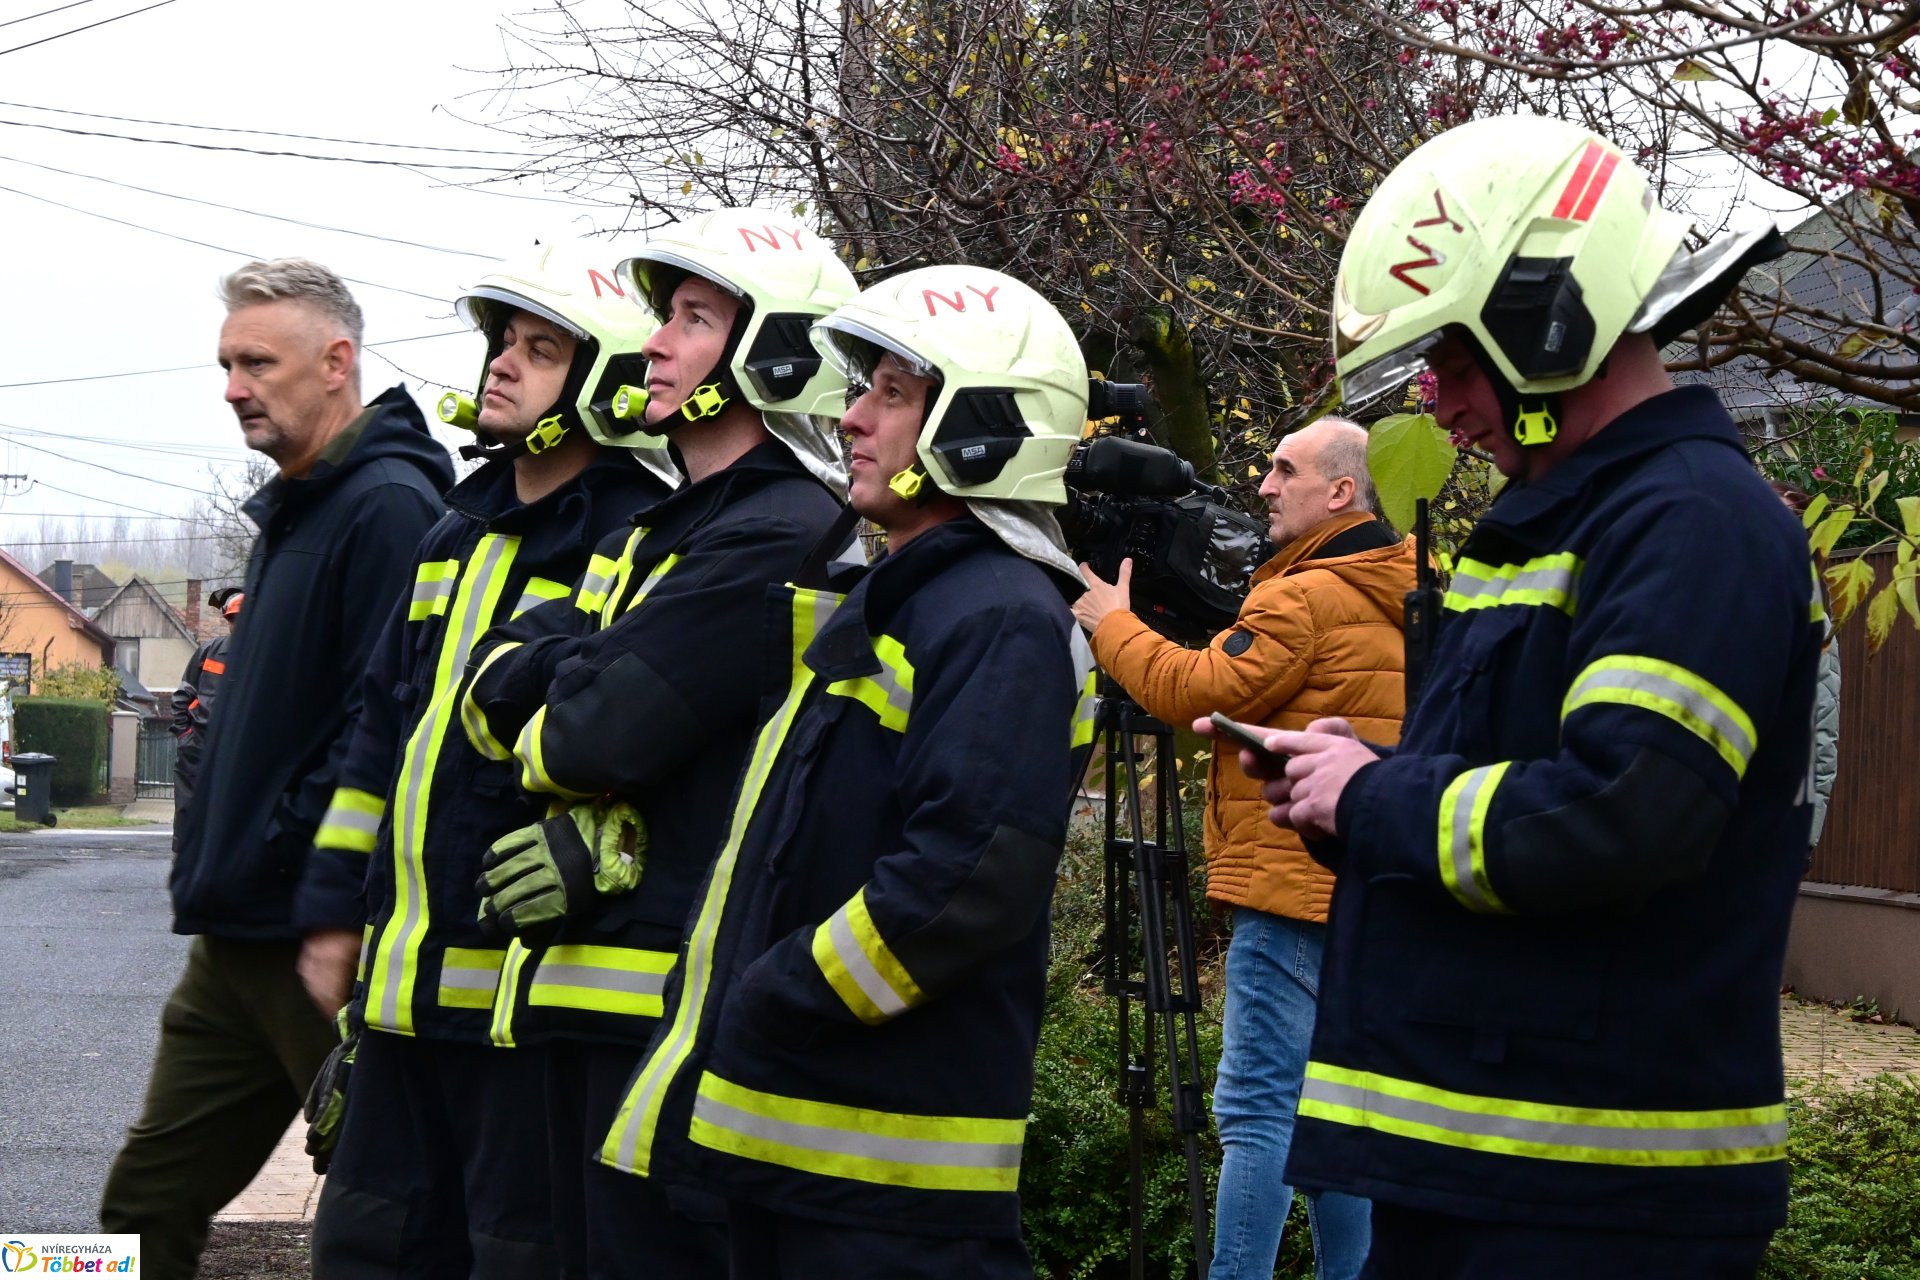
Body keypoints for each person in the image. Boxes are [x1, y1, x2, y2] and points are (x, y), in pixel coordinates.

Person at [1201, 115, 1819, 1279]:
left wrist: (1377, 795)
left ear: (1548, 313)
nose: (1437, 402)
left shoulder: (1689, 521)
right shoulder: (1572, 520)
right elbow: (1502, 796)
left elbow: (1622, 815)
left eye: (1454, 358)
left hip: (1588, 1203)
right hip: (1499, 1174)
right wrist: (1343, 789)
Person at [587, 264, 1095, 1280]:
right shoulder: (903, 598)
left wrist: (773, 995)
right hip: (802, 1156)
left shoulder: (997, 616)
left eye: (892, 394)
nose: (853, 416)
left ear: (982, 426)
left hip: (885, 1181)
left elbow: (962, 881)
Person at [457, 208, 857, 1278]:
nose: (654, 345)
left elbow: (580, 737)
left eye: (689, 319)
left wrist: (548, 679)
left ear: (771, 351)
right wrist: (559, 671)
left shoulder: (777, 534)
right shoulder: (673, 527)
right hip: (590, 998)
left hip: (659, 1002)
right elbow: (535, 691)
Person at [304, 241, 677, 1278]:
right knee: (365, 1249)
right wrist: (338, 913)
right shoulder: (451, 535)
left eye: (541, 349)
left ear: (602, 381)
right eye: (504, 343)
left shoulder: (638, 539)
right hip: (398, 1000)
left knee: (516, 1258)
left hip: (523, 1018)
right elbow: (380, 734)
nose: (502, 365)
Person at [101, 258, 454, 1279]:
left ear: (336, 362)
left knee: (393, 1214)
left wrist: (319, 892)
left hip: (317, 944)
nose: (232, 386)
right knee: (139, 1206)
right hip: (237, 937)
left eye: (257, 361)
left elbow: (381, 723)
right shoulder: (297, 509)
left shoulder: (388, 508)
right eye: (225, 363)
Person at [1074, 416, 1412, 1279]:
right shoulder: (1411, 586)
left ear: (1341, 492)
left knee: (1257, 1112)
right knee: (1338, 1118)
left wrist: (1113, 623)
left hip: (1286, 883)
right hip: (1369, 885)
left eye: (1283, 470)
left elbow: (1195, 689)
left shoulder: (1303, 595)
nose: (1262, 485)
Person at [1770, 481, 1841, 861]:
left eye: (1797, 521)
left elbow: (1822, 732)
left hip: (1765, 824)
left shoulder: (1812, 622)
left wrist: (1805, 835)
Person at [169, 586, 242, 841]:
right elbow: (182, 695)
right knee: (189, 808)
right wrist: (185, 736)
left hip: (238, 750)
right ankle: (185, 862)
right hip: (198, 747)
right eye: (232, 619)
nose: (236, 624)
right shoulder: (209, 651)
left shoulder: (260, 656)